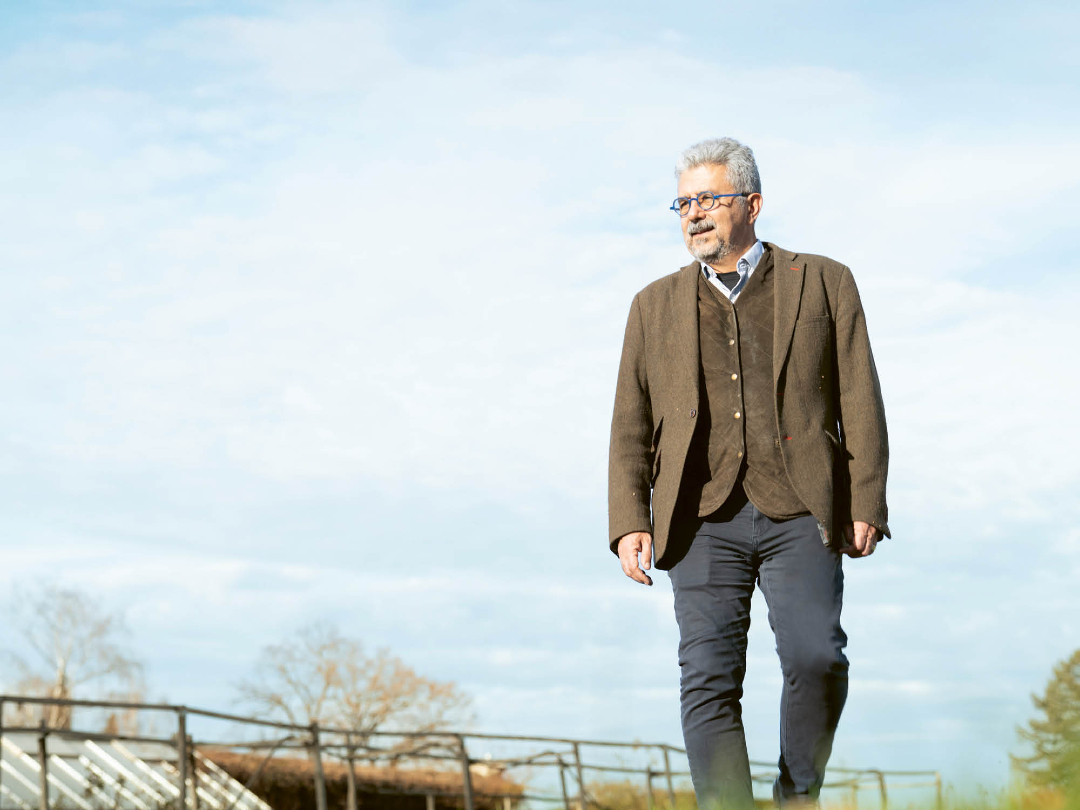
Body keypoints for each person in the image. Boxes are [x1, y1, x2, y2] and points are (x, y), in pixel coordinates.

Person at [608, 137, 890, 809]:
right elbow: (630, 420)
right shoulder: (652, 305)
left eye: (709, 199)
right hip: (698, 518)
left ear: (753, 204)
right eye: (683, 203)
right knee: (707, 677)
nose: (693, 214)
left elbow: (860, 394)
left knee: (817, 657)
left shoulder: (823, 280)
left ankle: (798, 796)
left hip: (802, 508)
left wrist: (866, 500)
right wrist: (629, 519)